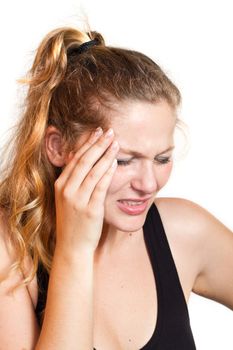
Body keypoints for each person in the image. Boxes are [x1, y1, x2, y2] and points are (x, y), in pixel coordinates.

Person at [0, 25, 232, 350]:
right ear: (57, 147)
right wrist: (74, 250)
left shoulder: (185, 231)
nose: (148, 184)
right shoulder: (11, 248)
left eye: (162, 158)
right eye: (124, 161)